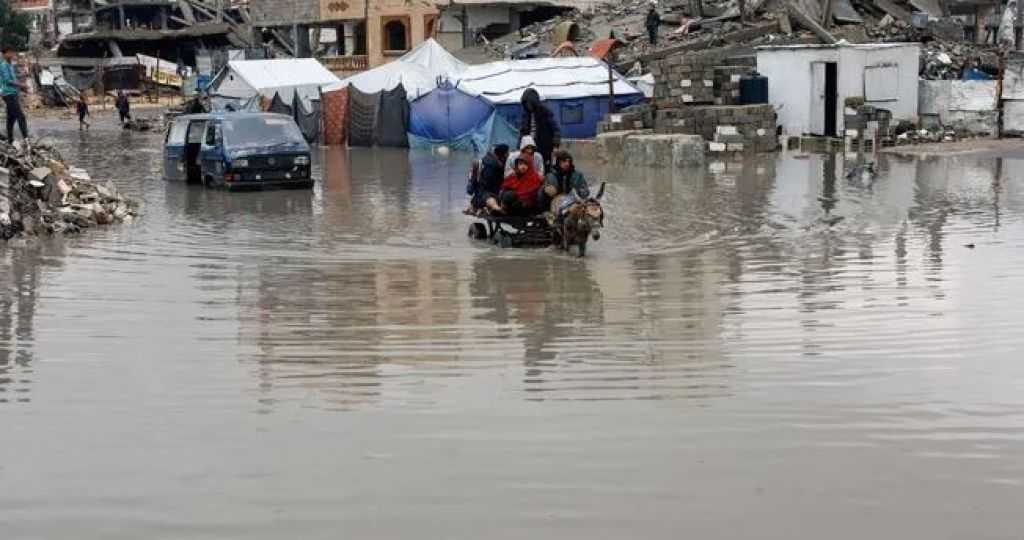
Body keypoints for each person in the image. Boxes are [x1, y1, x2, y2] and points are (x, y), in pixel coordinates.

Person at [518, 89, 560, 171]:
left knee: (544, 168)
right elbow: (522, 132)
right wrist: (519, 146)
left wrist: (556, 145)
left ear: (534, 102)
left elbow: (556, 129)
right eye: (525, 104)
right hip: (529, 148)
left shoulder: (545, 113)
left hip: (544, 147)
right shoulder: (525, 115)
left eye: (528, 103)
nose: (527, 106)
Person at [466, 143, 510, 214]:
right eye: (508, 152)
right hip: (486, 193)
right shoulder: (494, 165)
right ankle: (496, 208)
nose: (509, 154)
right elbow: (492, 182)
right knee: (490, 197)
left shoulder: (487, 160)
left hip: (480, 192)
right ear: (504, 154)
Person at [1, 46, 30, 143]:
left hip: (13, 92)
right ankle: (26, 139)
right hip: (8, 93)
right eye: (9, 53)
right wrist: (21, 85)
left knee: (11, 117)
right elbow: (7, 81)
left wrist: (22, 88)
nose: (12, 55)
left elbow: (13, 80)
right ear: (4, 54)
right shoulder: (4, 65)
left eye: (12, 52)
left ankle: (10, 140)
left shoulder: (10, 65)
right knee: (20, 116)